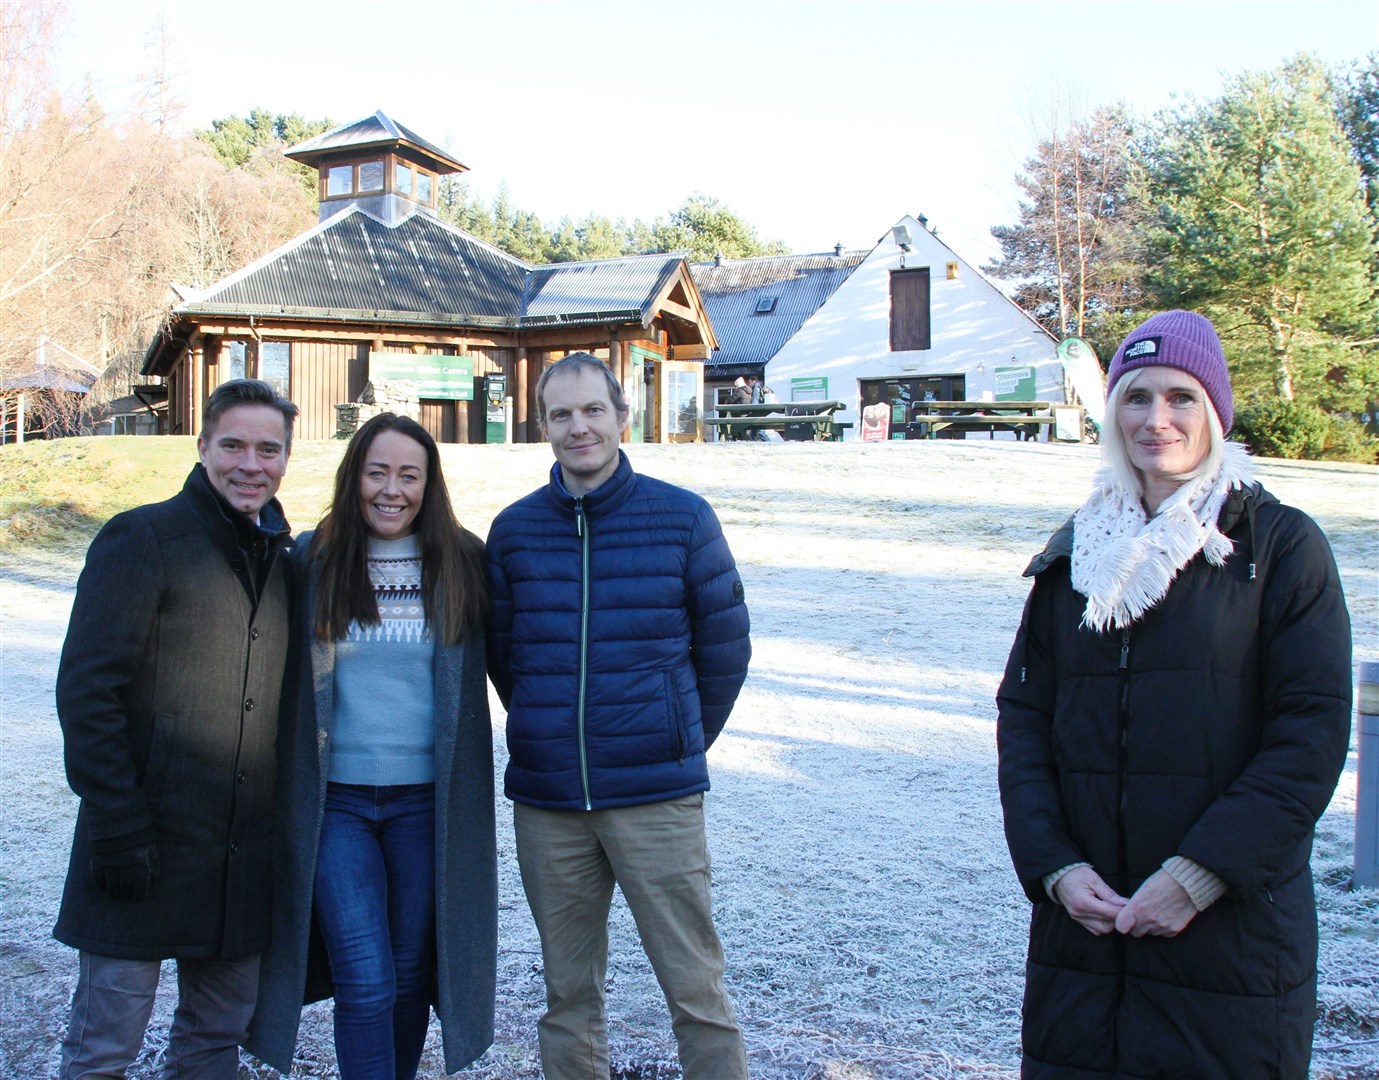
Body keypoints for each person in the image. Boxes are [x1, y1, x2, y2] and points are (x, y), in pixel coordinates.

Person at [996, 310, 1352, 1079]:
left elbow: (1309, 735)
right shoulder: (1074, 555)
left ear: (1214, 411)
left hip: (1229, 938)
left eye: (1180, 397)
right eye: (1135, 396)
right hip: (1083, 942)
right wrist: (1054, 868)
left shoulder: (1277, 547)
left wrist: (1196, 878)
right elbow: (1024, 721)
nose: (1155, 419)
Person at [486, 352, 752, 1079]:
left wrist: (671, 736)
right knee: (568, 996)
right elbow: (508, 660)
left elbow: (725, 650)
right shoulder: (512, 533)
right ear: (541, 425)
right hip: (549, 803)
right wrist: (550, 729)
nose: (579, 428)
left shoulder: (682, 518)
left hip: (656, 797)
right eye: (561, 414)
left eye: (592, 410)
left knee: (695, 989)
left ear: (622, 417)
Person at [54, 378, 298, 1078]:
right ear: (202, 446)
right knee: (105, 1046)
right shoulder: (144, 537)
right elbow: (88, 693)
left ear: (286, 457)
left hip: (238, 860)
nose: (251, 464)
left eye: (268, 449)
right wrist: (117, 822)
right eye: (234, 446)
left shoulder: (284, 560)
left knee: (214, 1044)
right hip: (140, 841)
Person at [244, 413, 497, 1079]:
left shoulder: (465, 562)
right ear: (354, 476)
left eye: (408, 475)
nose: (392, 489)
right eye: (377, 472)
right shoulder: (315, 561)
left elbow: (524, 661)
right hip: (337, 807)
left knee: (412, 976)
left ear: (428, 484)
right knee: (365, 975)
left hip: (427, 807)